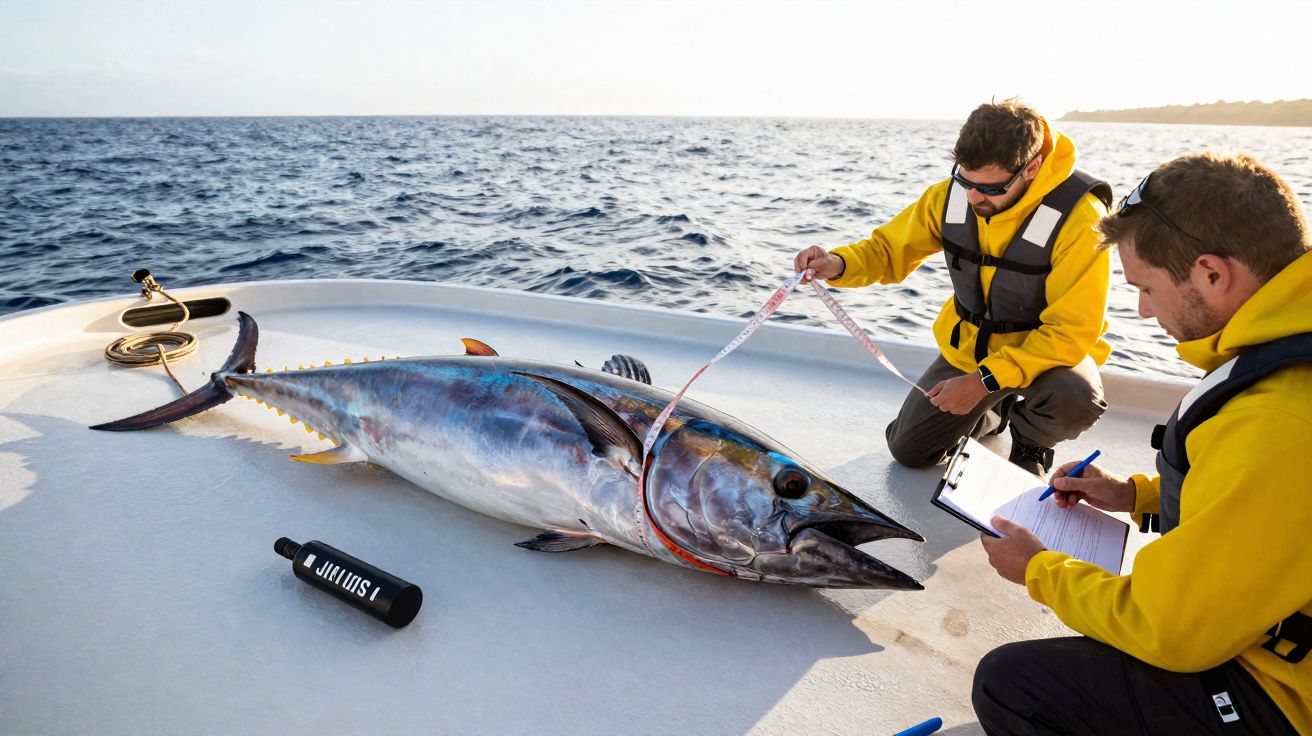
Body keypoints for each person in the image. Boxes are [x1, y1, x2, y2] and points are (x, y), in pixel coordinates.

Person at [974, 151, 1312, 734]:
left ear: (1212, 274)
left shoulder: (1277, 417)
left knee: (1011, 685)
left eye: (1147, 288)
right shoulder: (1286, 357)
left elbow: (1172, 630)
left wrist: (1037, 570)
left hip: (1286, 697)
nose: (1143, 310)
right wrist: (1136, 496)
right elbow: (1271, 508)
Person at [794, 99, 1113, 475]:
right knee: (909, 451)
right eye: (965, 180)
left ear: (1032, 168)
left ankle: (1032, 444)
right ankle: (993, 414)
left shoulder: (1082, 220)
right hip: (969, 355)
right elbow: (887, 250)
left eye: (990, 188)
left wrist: (983, 382)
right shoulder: (950, 197)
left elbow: (1071, 332)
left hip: (1048, 361)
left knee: (1076, 395)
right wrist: (837, 263)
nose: (973, 197)